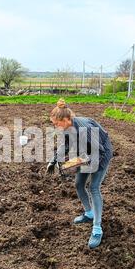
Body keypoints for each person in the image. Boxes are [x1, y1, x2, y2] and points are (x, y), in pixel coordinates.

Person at [47, 98, 113, 249]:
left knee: (93, 187)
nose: (55, 126)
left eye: (57, 123)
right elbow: (65, 144)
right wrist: (54, 160)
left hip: (101, 153)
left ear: (67, 119)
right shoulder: (66, 129)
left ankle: (97, 228)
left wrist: (75, 162)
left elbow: (97, 152)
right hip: (86, 152)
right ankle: (89, 213)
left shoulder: (85, 129)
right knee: (78, 184)